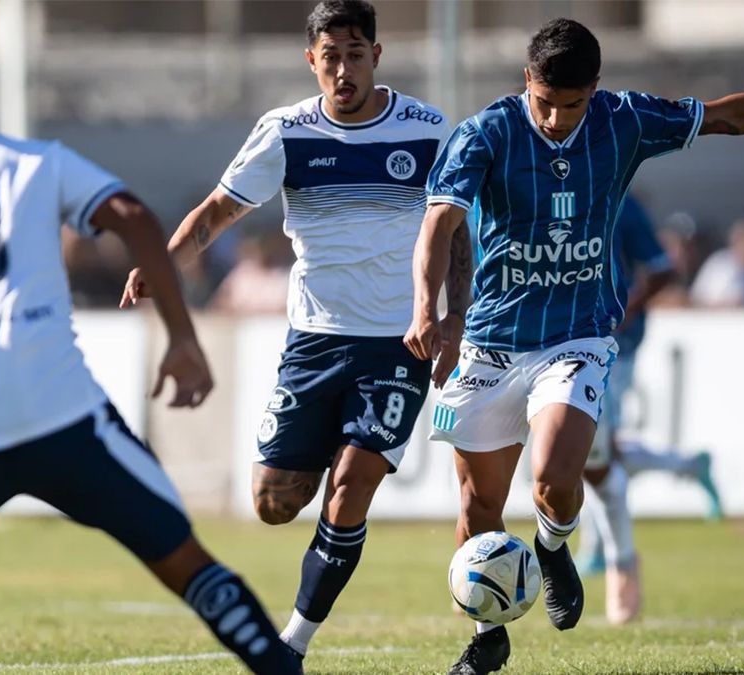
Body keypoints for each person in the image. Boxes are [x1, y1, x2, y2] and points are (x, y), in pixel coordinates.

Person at [404, 17, 744, 674]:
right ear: (527, 80)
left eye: (571, 105)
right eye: (544, 101)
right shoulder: (486, 133)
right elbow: (440, 223)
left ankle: (554, 548)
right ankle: (487, 635)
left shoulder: (623, 121)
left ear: (596, 90)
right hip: (492, 343)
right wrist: (427, 310)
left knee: (555, 474)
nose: (555, 118)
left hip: (576, 337)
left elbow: (726, 116)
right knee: (478, 507)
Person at [119, 0, 455, 661]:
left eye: (355, 54)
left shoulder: (427, 130)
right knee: (273, 500)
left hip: (397, 340)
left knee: (353, 482)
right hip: (315, 341)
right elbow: (216, 213)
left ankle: (291, 645)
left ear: (376, 56)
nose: (343, 69)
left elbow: (458, 227)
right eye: (329, 57)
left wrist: (452, 316)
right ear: (311, 61)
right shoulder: (285, 132)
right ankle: (340, 444)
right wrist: (162, 265)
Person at [0, 110, 301, 674]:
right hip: (61, 415)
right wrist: (181, 336)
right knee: (187, 564)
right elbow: (132, 216)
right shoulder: (37, 162)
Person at [575, 193, 721, 626]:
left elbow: (662, 268)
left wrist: (627, 308)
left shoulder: (619, 199)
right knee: (591, 448)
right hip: (559, 342)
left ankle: (605, 554)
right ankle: (688, 466)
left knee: (594, 447)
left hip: (612, 344)